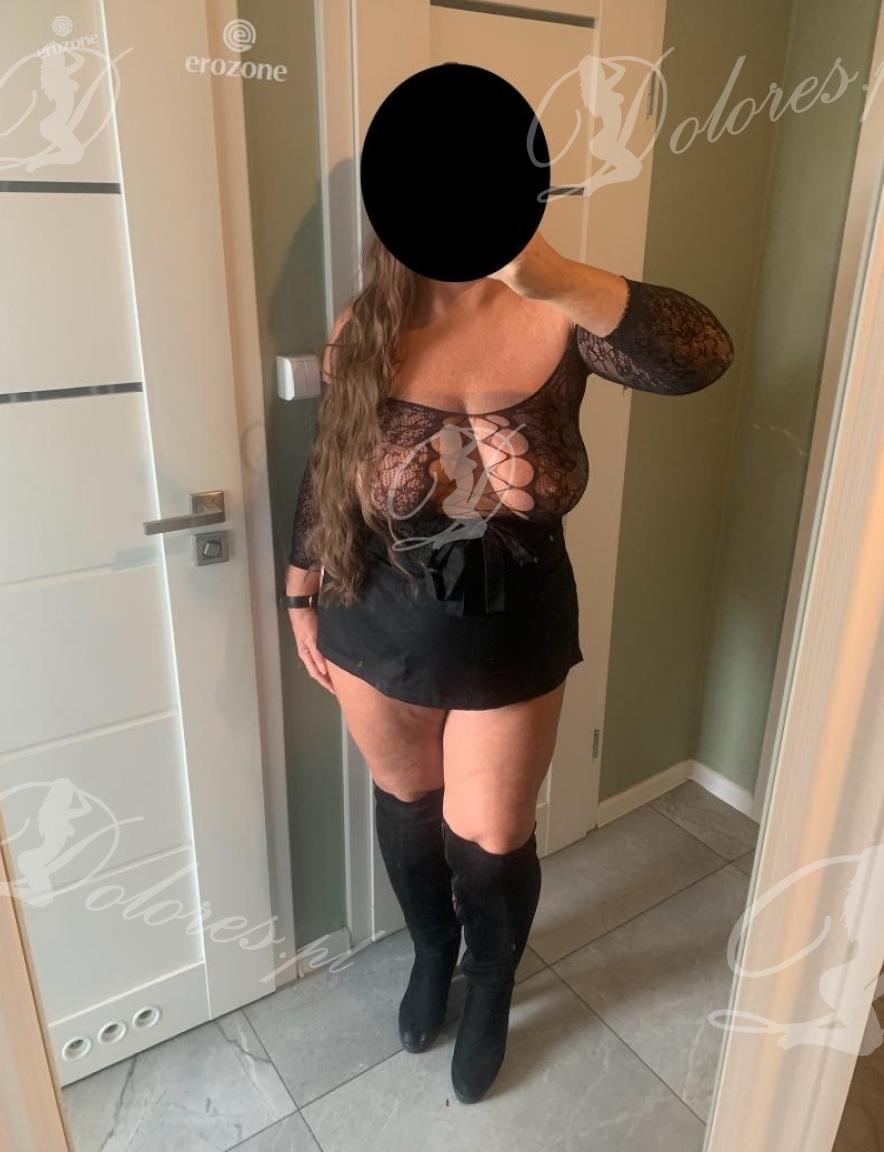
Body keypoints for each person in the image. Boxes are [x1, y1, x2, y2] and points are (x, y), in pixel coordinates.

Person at [283, 228, 735, 1103]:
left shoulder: (563, 311)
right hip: (375, 616)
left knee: (491, 837)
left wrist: (554, 274)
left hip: (513, 629)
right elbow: (328, 468)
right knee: (407, 805)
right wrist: (298, 591)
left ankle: (490, 985)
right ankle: (432, 954)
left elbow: (700, 356)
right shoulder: (365, 324)